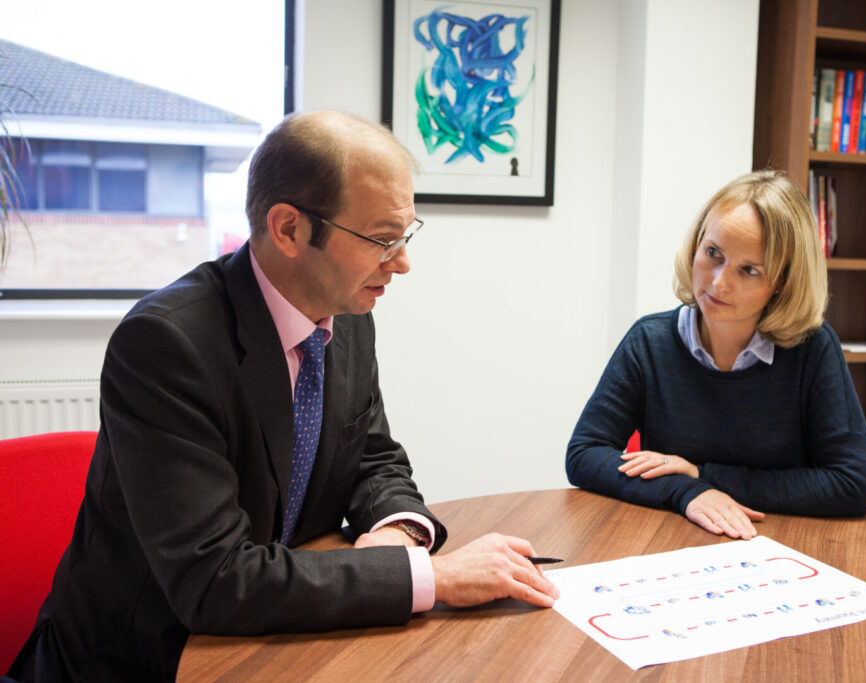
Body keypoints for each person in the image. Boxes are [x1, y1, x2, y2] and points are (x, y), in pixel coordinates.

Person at [9, 111, 558, 682]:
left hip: (279, 640)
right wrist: (432, 577)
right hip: (148, 659)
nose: (401, 262)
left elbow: (373, 460)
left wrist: (397, 533)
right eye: (381, 239)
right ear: (289, 229)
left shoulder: (347, 317)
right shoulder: (167, 344)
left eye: (405, 235)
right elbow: (215, 579)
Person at [566, 169, 866, 541]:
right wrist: (687, 491)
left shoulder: (813, 348)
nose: (718, 283)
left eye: (749, 270)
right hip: (672, 541)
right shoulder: (649, 341)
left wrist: (703, 475)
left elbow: (852, 484)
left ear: (783, 282)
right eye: (713, 253)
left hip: (779, 544)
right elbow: (584, 454)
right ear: (696, 244)